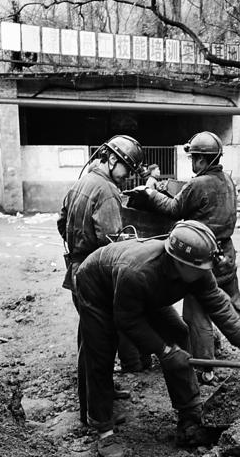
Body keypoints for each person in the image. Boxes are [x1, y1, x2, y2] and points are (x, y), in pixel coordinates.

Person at [75, 220, 240, 457]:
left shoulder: (197, 270)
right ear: (178, 262)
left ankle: (189, 415)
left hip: (141, 294)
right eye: (200, 268)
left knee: (178, 332)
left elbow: (218, 304)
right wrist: (164, 351)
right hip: (97, 288)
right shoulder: (138, 272)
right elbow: (127, 320)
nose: (205, 272)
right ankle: (103, 429)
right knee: (101, 352)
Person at [127, 131, 240, 385]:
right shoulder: (227, 180)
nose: (192, 163)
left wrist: (150, 194)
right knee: (233, 302)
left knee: (197, 314)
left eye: (194, 159)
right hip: (226, 254)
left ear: (202, 159)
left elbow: (174, 209)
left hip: (202, 257)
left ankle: (206, 368)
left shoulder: (198, 184)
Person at [57, 135, 149, 420]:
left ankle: (103, 390)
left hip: (76, 268)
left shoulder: (82, 183)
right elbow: (111, 244)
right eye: (126, 169)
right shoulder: (107, 190)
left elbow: (61, 221)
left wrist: (78, 243)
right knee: (97, 344)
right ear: (111, 160)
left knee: (91, 337)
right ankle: (92, 412)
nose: (127, 176)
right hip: (94, 276)